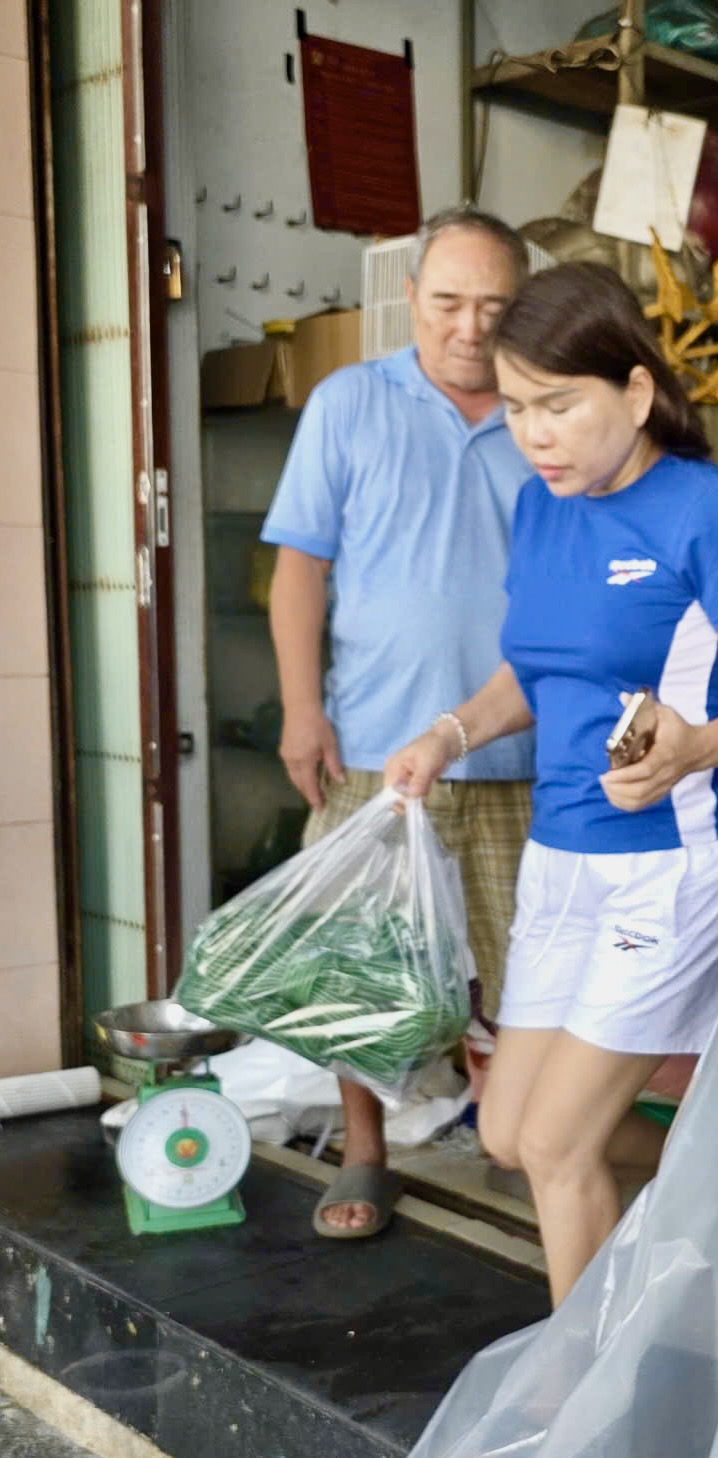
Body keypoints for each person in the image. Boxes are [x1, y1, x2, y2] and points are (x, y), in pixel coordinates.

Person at [386, 264, 718, 1307]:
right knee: (504, 1132)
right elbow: (537, 672)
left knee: (557, 1140)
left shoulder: (711, 516)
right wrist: (448, 733)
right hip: (565, 852)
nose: (534, 435)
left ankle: (575, 1400)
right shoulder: (542, 509)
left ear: (632, 391)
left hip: (679, 857)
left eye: (558, 405)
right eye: (518, 407)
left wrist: (693, 746)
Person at [263, 205, 534, 1239]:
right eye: (449, 301)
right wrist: (301, 709)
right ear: (412, 298)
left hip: (521, 751)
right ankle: (366, 1155)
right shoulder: (347, 404)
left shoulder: (543, 409)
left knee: (524, 971)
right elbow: (301, 569)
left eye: (494, 307)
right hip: (375, 747)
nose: (470, 327)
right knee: (358, 965)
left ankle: (518, 1144)